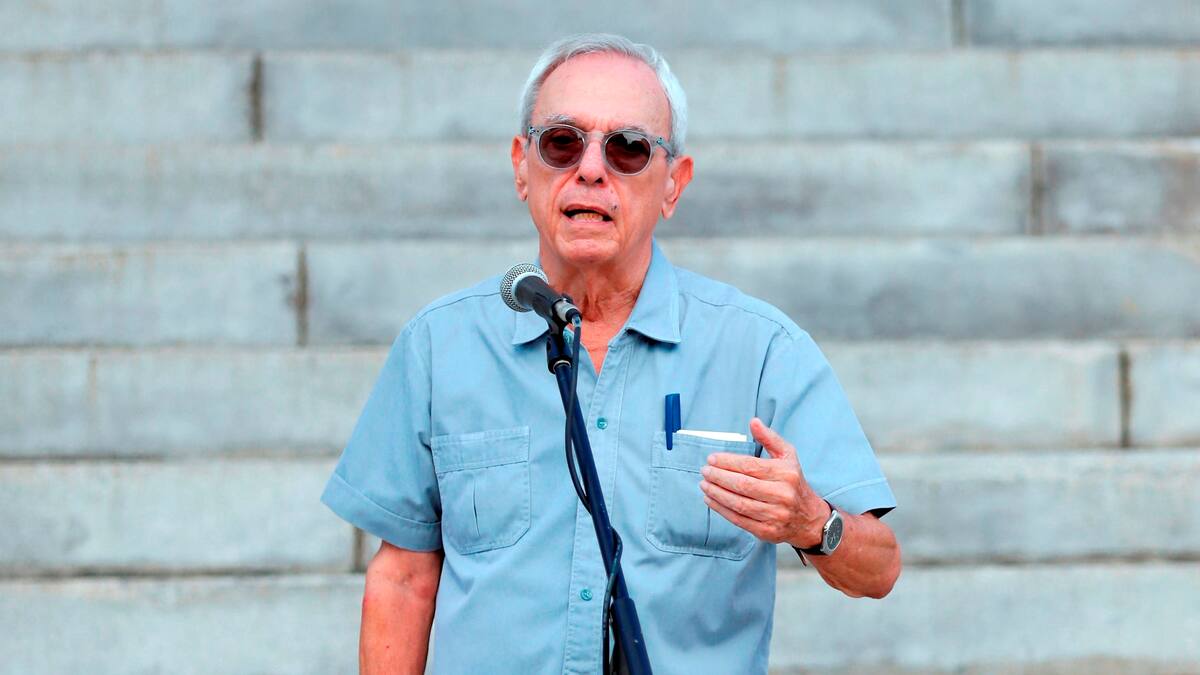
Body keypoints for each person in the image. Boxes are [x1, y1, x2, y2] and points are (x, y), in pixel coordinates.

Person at [321, 33, 901, 675]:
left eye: (628, 148)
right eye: (562, 142)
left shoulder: (762, 349)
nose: (592, 169)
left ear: (674, 184)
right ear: (521, 166)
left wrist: (813, 522)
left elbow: (879, 568)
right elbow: (402, 578)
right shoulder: (439, 345)